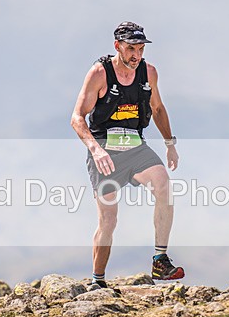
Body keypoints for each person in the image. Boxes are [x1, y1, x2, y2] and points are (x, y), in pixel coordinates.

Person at [71, 21, 184, 287]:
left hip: (135, 147)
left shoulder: (148, 72)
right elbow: (77, 117)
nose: (136, 55)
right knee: (108, 220)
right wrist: (96, 150)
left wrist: (170, 144)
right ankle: (97, 280)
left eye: (141, 49)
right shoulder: (99, 73)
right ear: (117, 46)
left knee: (163, 184)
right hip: (105, 151)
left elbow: (157, 108)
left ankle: (160, 261)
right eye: (131, 48)